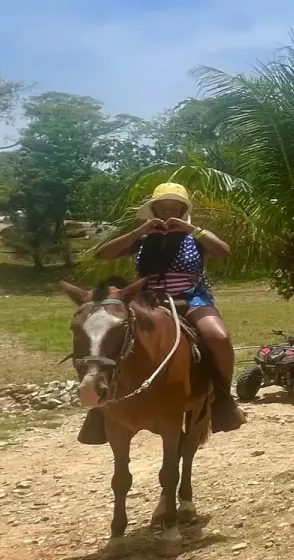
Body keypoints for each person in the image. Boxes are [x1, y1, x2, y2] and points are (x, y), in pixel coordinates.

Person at [79, 182, 242, 444]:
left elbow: (224, 252)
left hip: (191, 298)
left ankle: (223, 399)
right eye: (163, 208)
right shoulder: (142, 239)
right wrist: (139, 232)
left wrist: (192, 229)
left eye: (174, 208)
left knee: (218, 337)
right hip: (148, 301)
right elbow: (102, 255)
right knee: (106, 336)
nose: (168, 213)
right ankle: (98, 407)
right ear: (154, 211)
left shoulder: (195, 237)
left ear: (183, 210)